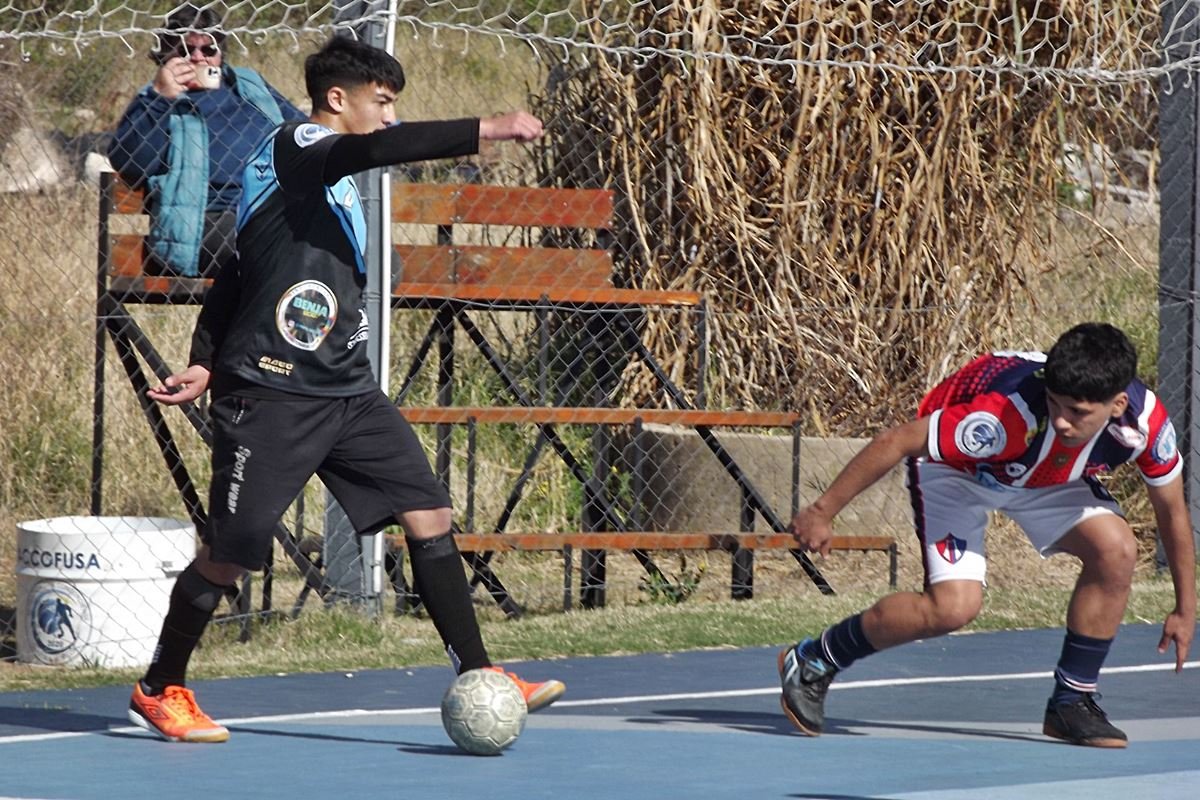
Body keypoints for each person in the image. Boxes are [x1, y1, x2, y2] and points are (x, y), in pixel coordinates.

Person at [128, 34, 563, 743]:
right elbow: (370, 152)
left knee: (428, 515)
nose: (389, 118)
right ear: (338, 99)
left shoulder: (324, 188)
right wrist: (487, 127)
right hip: (271, 394)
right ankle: (160, 687)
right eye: (382, 103)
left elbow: (240, 268)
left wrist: (201, 353)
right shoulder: (301, 145)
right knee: (230, 555)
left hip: (348, 393)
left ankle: (481, 673)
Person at [780, 322, 1195, 748]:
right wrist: (821, 510)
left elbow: (1172, 511)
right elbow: (897, 441)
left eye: (1078, 413)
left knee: (1117, 549)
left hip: (1045, 479)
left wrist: (1186, 606)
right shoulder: (1002, 418)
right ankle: (815, 657)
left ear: (1117, 403)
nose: (1063, 422)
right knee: (952, 609)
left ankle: (1072, 702)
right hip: (960, 472)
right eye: (1055, 404)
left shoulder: (1145, 425)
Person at [108, 3, 307, 278]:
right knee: (287, 251)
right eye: (187, 50)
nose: (199, 58)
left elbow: (305, 134)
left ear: (221, 53)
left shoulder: (250, 87)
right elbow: (130, 164)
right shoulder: (155, 101)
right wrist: (161, 97)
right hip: (205, 223)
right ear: (167, 53)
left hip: (271, 214)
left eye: (209, 49)